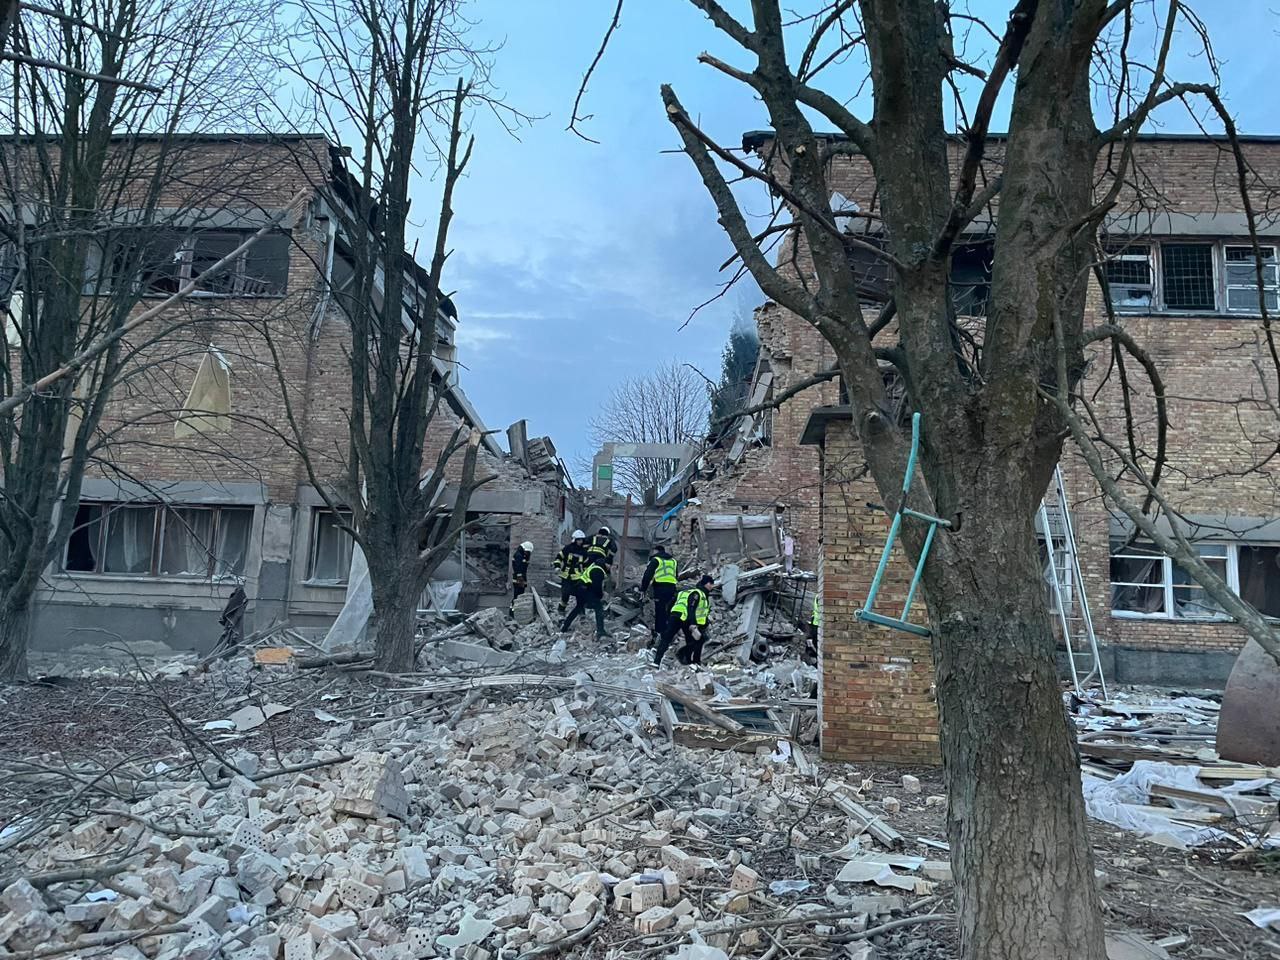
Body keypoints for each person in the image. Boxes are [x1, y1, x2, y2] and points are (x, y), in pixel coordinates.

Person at [654, 574, 713, 667]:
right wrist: (693, 624)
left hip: (675, 616)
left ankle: (656, 662)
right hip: (685, 617)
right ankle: (691, 660)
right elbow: (691, 608)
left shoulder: (683, 593)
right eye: (711, 584)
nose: (712, 586)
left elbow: (670, 605)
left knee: (667, 639)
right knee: (696, 640)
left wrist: (668, 618)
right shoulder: (698, 594)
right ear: (706, 584)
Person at [560, 556, 611, 640]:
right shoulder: (598, 570)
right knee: (598, 608)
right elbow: (596, 587)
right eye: (610, 565)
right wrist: (601, 597)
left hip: (581, 589)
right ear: (607, 564)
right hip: (585, 590)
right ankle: (600, 631)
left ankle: (564, 627)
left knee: (578, 608)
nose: (610, 567)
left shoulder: (594, 566)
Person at [639, 544, 679, 645]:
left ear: (656, 551)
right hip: (672, 588)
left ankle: (660, 634)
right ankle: (670, 632)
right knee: (669, 611)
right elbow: (676, 575)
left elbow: (647, 575)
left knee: (660, 611)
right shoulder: (673, 561)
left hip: (660, 588)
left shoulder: (656, 560)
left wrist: (643, 589)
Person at [554, 530, 588, 613]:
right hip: (566, 576)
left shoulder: (584, 552)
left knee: (580, 595)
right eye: (579, 540)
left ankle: (581, 613)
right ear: (574, 540)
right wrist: (557, 567)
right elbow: (558, 558)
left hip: (578, 577)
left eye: (582, 540)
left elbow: (586, 565)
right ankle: (561, 611)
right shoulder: (567, 548)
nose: (580, 542)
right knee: (565, 594)